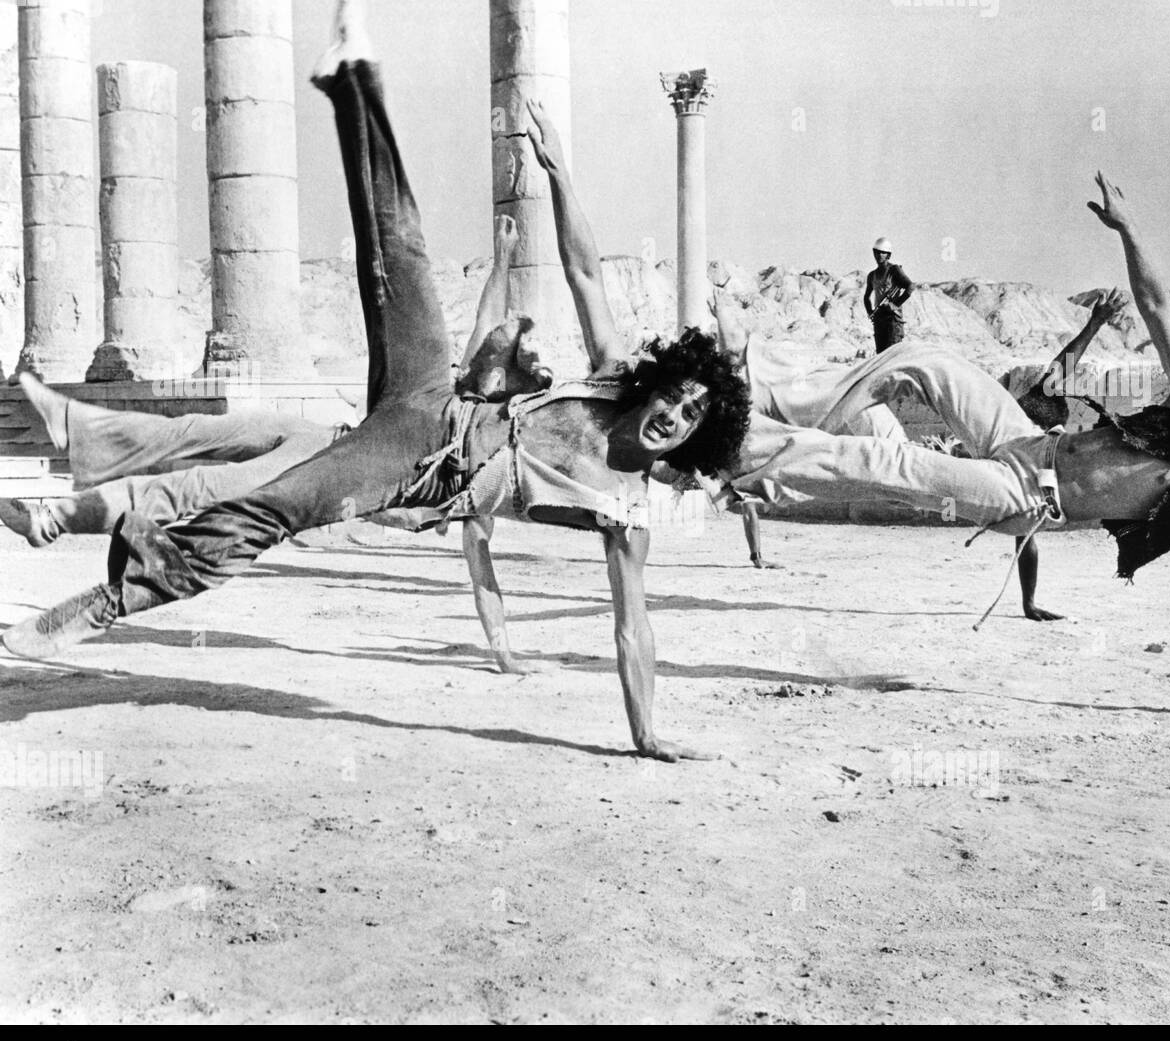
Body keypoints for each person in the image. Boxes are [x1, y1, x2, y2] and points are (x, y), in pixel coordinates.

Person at [2, 3, 751, 762]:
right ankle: (353, 81)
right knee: (401, 254)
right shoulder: (612, 381)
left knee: (273, 510)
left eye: (692, 417)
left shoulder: (625, 512)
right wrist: (557, 173)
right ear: (659, 383)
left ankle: (105, 602)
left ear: (694, 439)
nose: (675, 415)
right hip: (433, 396)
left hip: (412, 467)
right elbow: (585, 272)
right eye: (678, 395)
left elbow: (633, 626)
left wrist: (647, 733)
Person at [706, 172, 1170, 718]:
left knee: (884, 459)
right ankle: (763, 386)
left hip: (1026, 496)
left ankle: (734, 452)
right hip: (1029, 441)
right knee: (922, 359)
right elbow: (1157, 306)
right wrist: (1130, 229)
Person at [0, 214, 542, 548]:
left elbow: (475, 562)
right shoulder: (463, 398)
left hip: (332, 474)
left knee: (196, 487)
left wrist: (503, 652)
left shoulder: (473, 478)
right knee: (193, 429)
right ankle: (79, 426)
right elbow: (484, 323)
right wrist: (503, 259)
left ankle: (50, 520)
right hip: (328, 437)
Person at [711, 284, 1126, 620]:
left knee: (883, 463)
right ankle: (756, 374)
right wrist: (1095, 321)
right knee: (918, 357)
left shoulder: (1058, 484)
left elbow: (1026, 538)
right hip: (1010, 439)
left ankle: (746, 460)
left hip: (1019, 484)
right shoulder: (1040, 410)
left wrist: (1027, 602)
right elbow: (1063, 366)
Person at [864, 237, 914, 353]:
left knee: (891, 355)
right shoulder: (872, 275)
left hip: (893, 320)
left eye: (882, 252)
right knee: (881, 357)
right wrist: (870, 312)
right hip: (879, 319)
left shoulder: (894, 270)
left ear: (888, 255)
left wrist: (894, 305)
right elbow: (866, 297)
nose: (879, 255)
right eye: (876, 252)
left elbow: (910, 286)